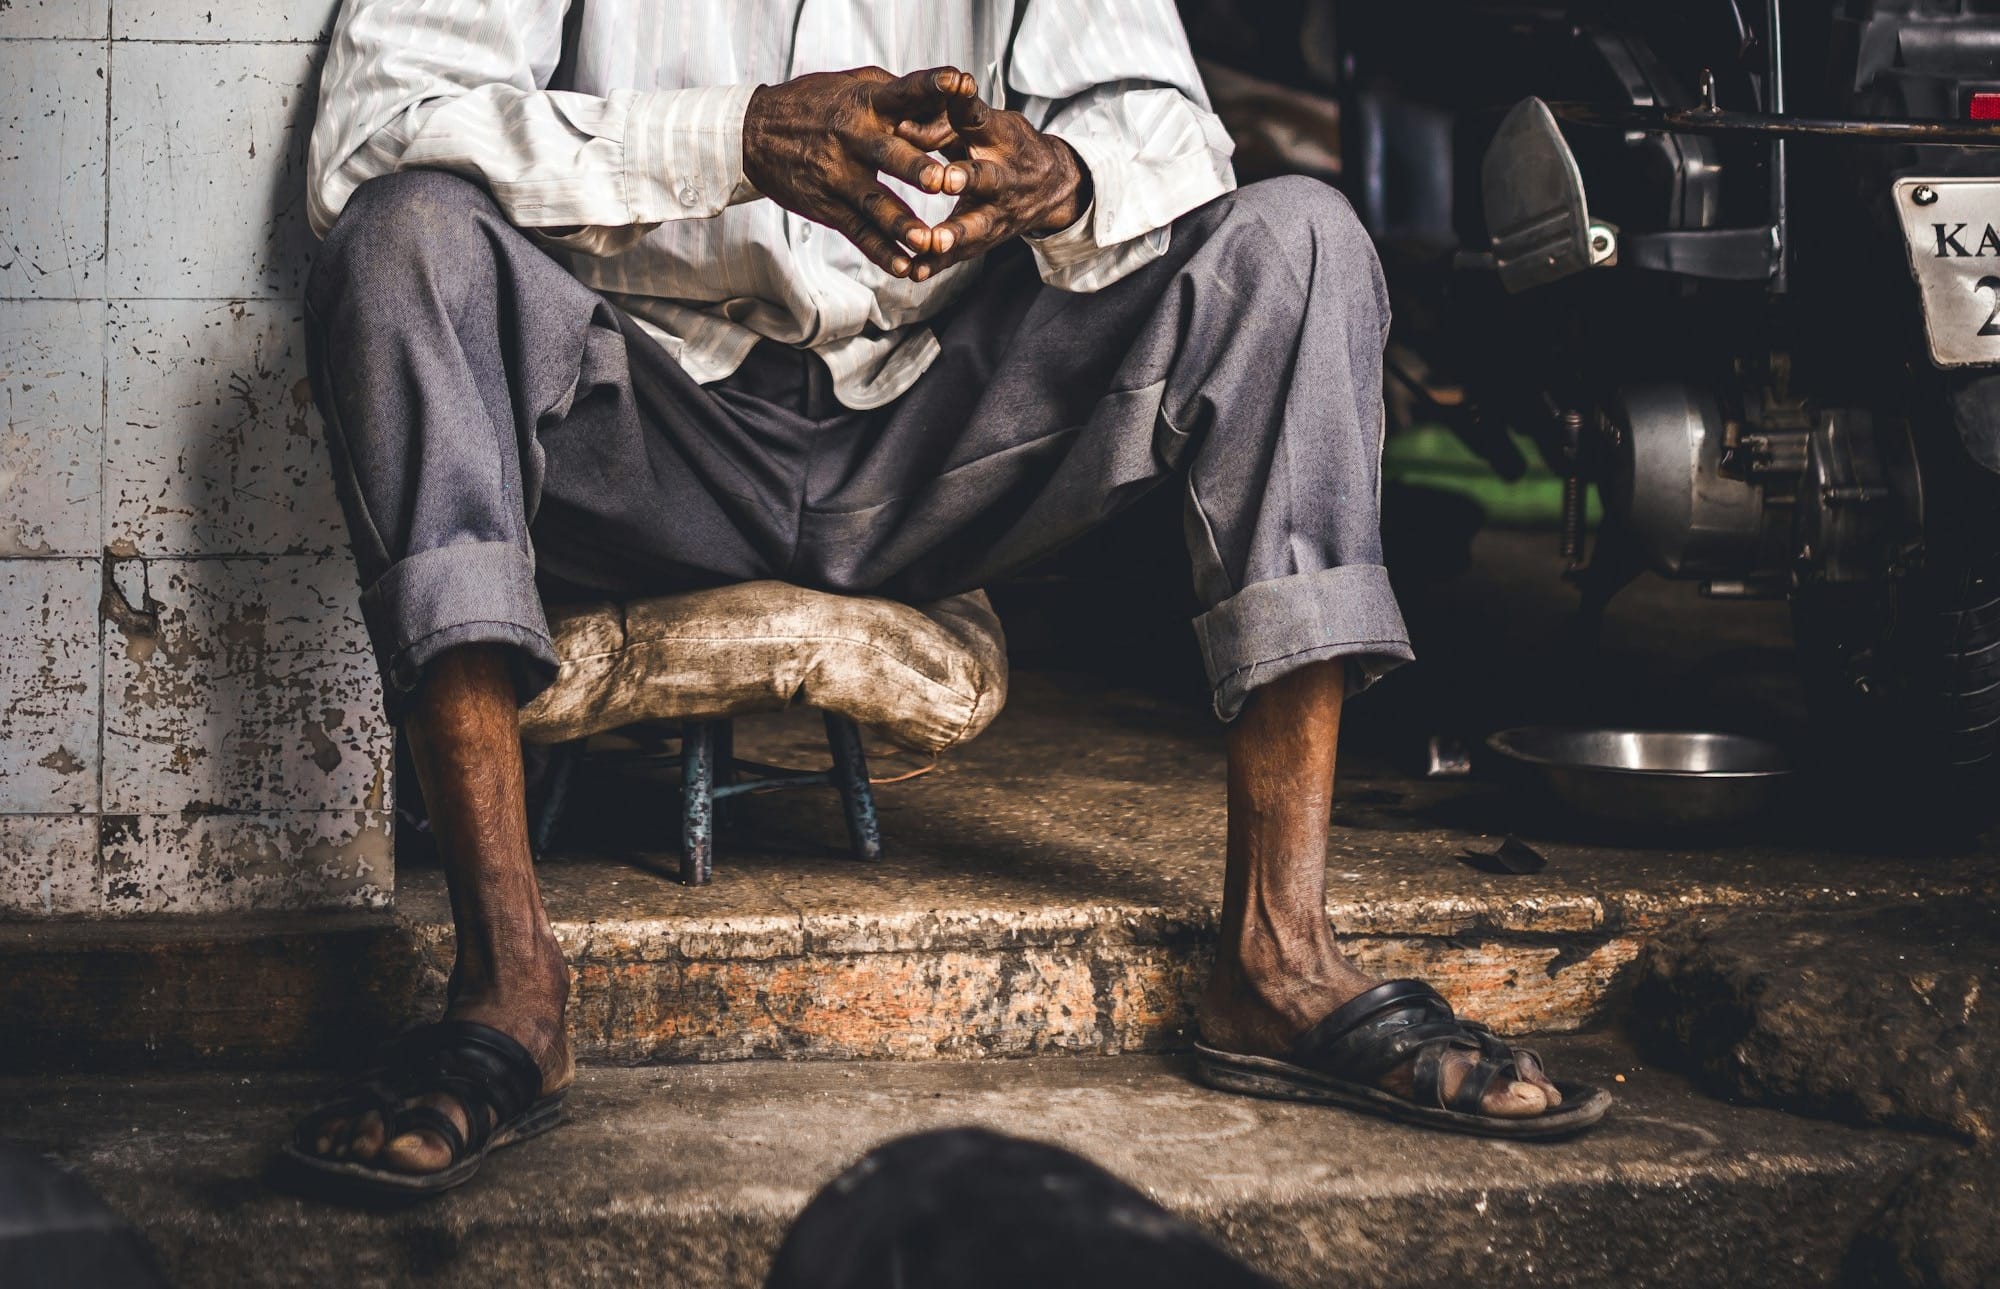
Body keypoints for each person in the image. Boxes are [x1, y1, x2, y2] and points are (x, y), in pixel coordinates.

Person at [287, 0, 1607, 1199]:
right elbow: (372, 137)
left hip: (935, 435)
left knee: (1302, 238)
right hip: (636, 422)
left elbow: (1169, 127)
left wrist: (1059, 177)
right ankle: (508, 984)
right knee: (403, 244)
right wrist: (735, 138)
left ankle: (1280, 955)